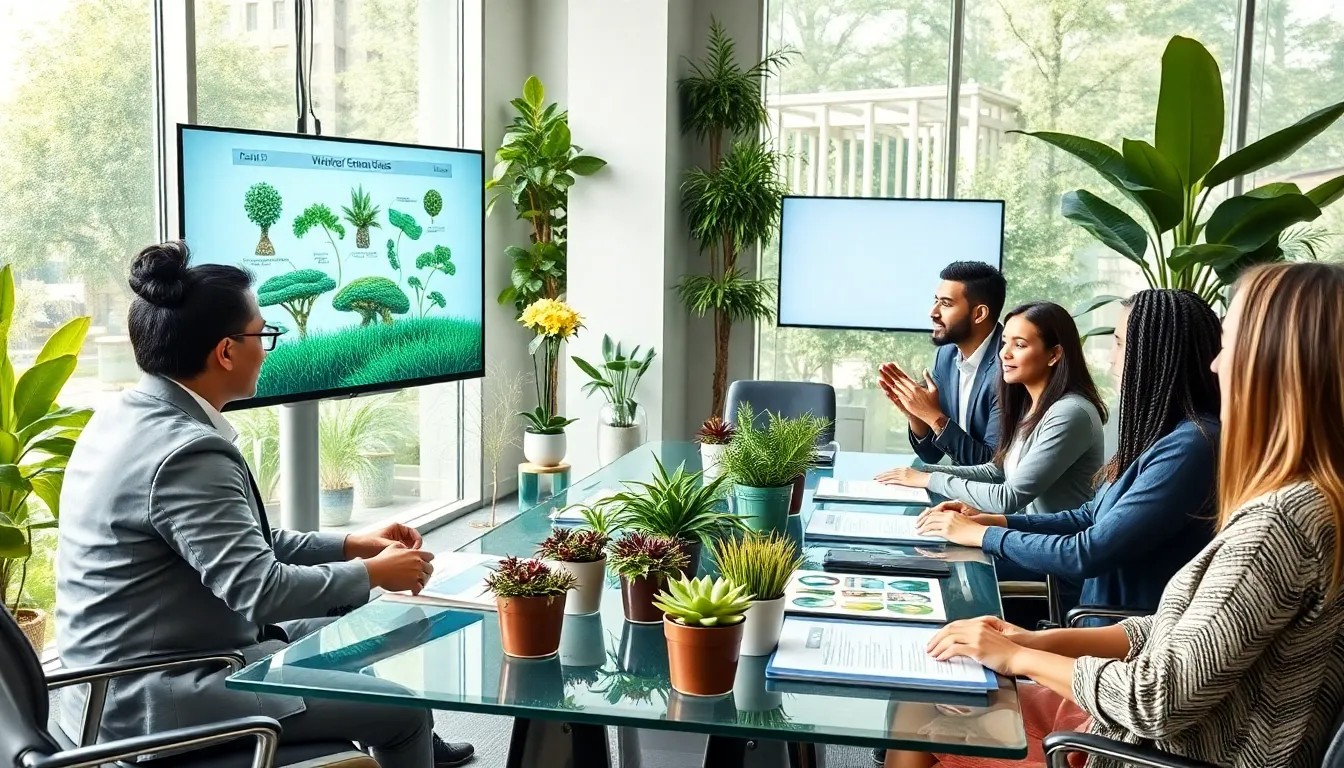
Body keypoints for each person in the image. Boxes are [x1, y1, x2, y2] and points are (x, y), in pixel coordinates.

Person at [894, 262, 1344, 768]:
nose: (1216, 366)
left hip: (1142, 749)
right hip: (1133, 722)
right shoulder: (1296, 501)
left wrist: (1022, 657)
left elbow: (1159, 699)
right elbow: (1173, 632)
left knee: (921, 704)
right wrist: (1031, 639)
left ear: (1282, 361)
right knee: (928, 686)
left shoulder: (1279, 521)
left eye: (1231, 343)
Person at [55, 241, 475, 768]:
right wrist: (371, 572)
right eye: (263, 335)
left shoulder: (125, 414)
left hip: (147, 668)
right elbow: (260, 590)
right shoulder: (188, 453)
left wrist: (350, 544)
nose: (266, 347)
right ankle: (401, 735)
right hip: (166, 691)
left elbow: (250, 546)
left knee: (390, 627)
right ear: (226, 352)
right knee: (404, 709)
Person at [914, 289, 1221, 612]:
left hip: (1106, 631)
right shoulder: (1162, 435)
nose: (1110, 357)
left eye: (1118, 343)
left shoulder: (1191, 446)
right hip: (1090, 620)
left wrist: (985, 534)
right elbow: (1088, 516)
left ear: (1157, 353)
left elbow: (1087, 552)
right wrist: (997, 521)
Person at [876, 301, 1106, 517]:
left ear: (1054, 355)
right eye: (1005, 342)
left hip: (1055, 549)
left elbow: (1008, 497)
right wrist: (922, 473)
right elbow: (996, 473)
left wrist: (929, 480)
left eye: (1020, 345)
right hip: (1028, 537)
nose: (1004, 353)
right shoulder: (1030, 404)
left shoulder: (1070, 413)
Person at [881, 261, 1006, 466]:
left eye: (946, 304)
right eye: (936, 301)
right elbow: (932, 455)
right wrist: (916, 416)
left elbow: (990, 466)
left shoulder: (1009, 367)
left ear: (979, 314)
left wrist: (931, 415)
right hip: (959, 489)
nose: (933, 312)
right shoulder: (945, 356)